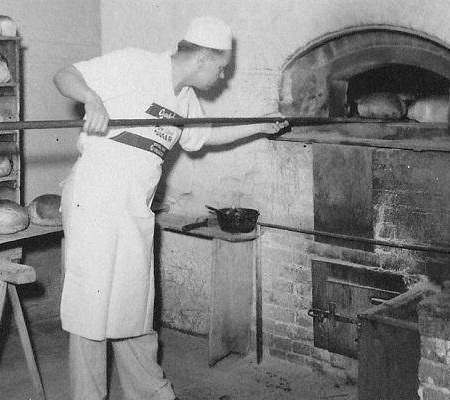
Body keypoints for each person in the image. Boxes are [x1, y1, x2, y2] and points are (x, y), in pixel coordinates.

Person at [53, 16, 288, 400]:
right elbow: (65, 75)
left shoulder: (184, 100)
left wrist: (259, 127)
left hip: (135, 209)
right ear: (201, 60)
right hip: (94, 200)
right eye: (221, 66)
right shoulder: (136, 63)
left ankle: (151, 394)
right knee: (90, 312)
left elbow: (203, 137)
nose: (222, 75)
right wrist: (91, 97)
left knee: (133, 309)